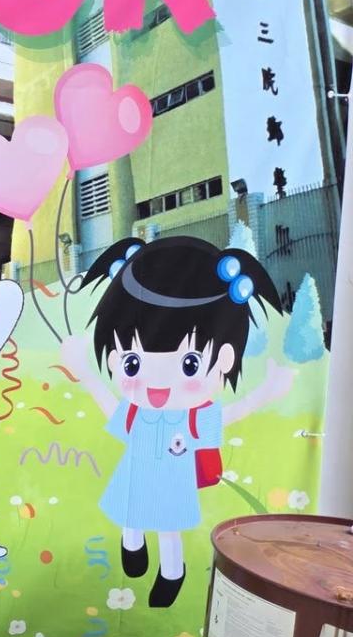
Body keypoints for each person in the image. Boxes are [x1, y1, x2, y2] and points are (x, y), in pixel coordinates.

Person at [61, 236, 293, 608]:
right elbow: (110, 408)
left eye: (189, 364)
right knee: (130, 515)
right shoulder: (136, 411)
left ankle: (172, 573)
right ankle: (133, 547)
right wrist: (85, 373)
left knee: (168, 530)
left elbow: (230, 414)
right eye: (132, 363)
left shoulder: (194, 416)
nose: (156, 383)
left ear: (225, 359)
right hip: (134, 476)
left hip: (171, 485)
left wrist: (267, 392)